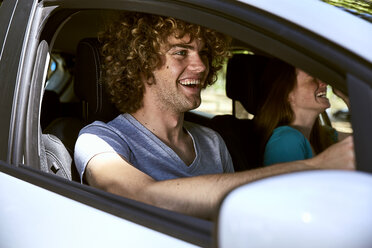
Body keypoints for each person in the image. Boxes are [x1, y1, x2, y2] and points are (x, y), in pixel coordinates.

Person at [74, 12, 355, 220]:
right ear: (142, 64)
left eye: (204, 53)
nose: (200, 65)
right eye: (181, 52)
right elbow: (141, 197)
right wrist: (312, 168)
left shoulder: (212, 141)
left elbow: (237, 215)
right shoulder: (100, 139)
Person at [254, 59, 351, 166]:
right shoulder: (286, 140)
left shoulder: (323, 135)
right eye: (312, 78)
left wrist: (348, 98)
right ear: (288, 94)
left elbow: (365, 145)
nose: (324, 83)